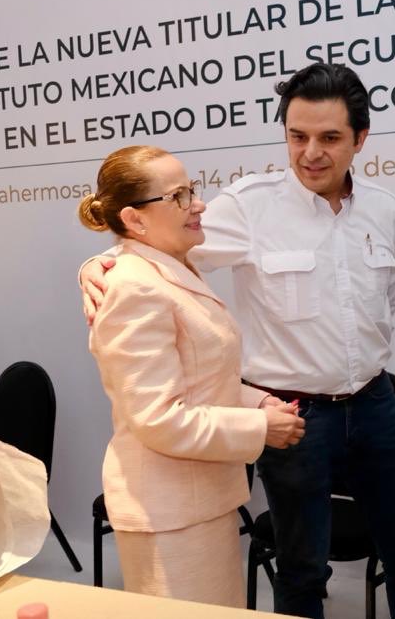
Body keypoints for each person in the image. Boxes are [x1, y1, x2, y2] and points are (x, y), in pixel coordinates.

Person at [80, 64, 395, 619]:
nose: (310, 153)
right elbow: (155, 249)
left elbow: (388, 298)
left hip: (374, 402)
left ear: (360, 139)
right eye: (297, 137)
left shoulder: (385, 208)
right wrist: (95, 262)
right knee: (301, 568)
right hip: (292, 416)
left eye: (329, 138)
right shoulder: (250, 206)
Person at [77, 145, 305, 608]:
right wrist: (259, 429)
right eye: (179, 196)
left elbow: (198, 376)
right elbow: (159, 418)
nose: (199, 204)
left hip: (196, 502)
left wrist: (256, 402)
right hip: (166, 511)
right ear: (135, 220)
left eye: (192, 191)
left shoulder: (172, 266)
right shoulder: (134, 285)